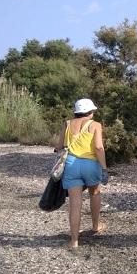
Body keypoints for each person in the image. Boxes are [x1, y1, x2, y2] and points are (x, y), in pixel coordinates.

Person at [57, 98, 109, 249]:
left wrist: (58, 149)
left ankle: (74, 241)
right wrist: (104, 168)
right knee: (95, 192)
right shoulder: (95, 125)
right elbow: (99, 147)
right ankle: (95, 226)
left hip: (71, 164)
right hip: (90, 164)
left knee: (75, 203)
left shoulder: (67, 123)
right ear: (90, 112)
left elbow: (59, 145)